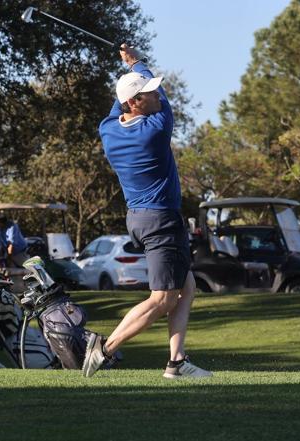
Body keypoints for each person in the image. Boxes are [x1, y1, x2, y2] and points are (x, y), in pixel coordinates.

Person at [82, 44, 212, 379]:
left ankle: (177, 363)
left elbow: (123, 97)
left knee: (187, 286)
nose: (157, 96)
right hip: (160, 219)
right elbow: (157, 96)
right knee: (163, 298)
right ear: (135, 102)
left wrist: (130, 69)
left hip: (139, 218)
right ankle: (104, 349)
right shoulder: (155, 128)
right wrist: (137, 63)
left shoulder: (109, 129)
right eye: (149, 94)